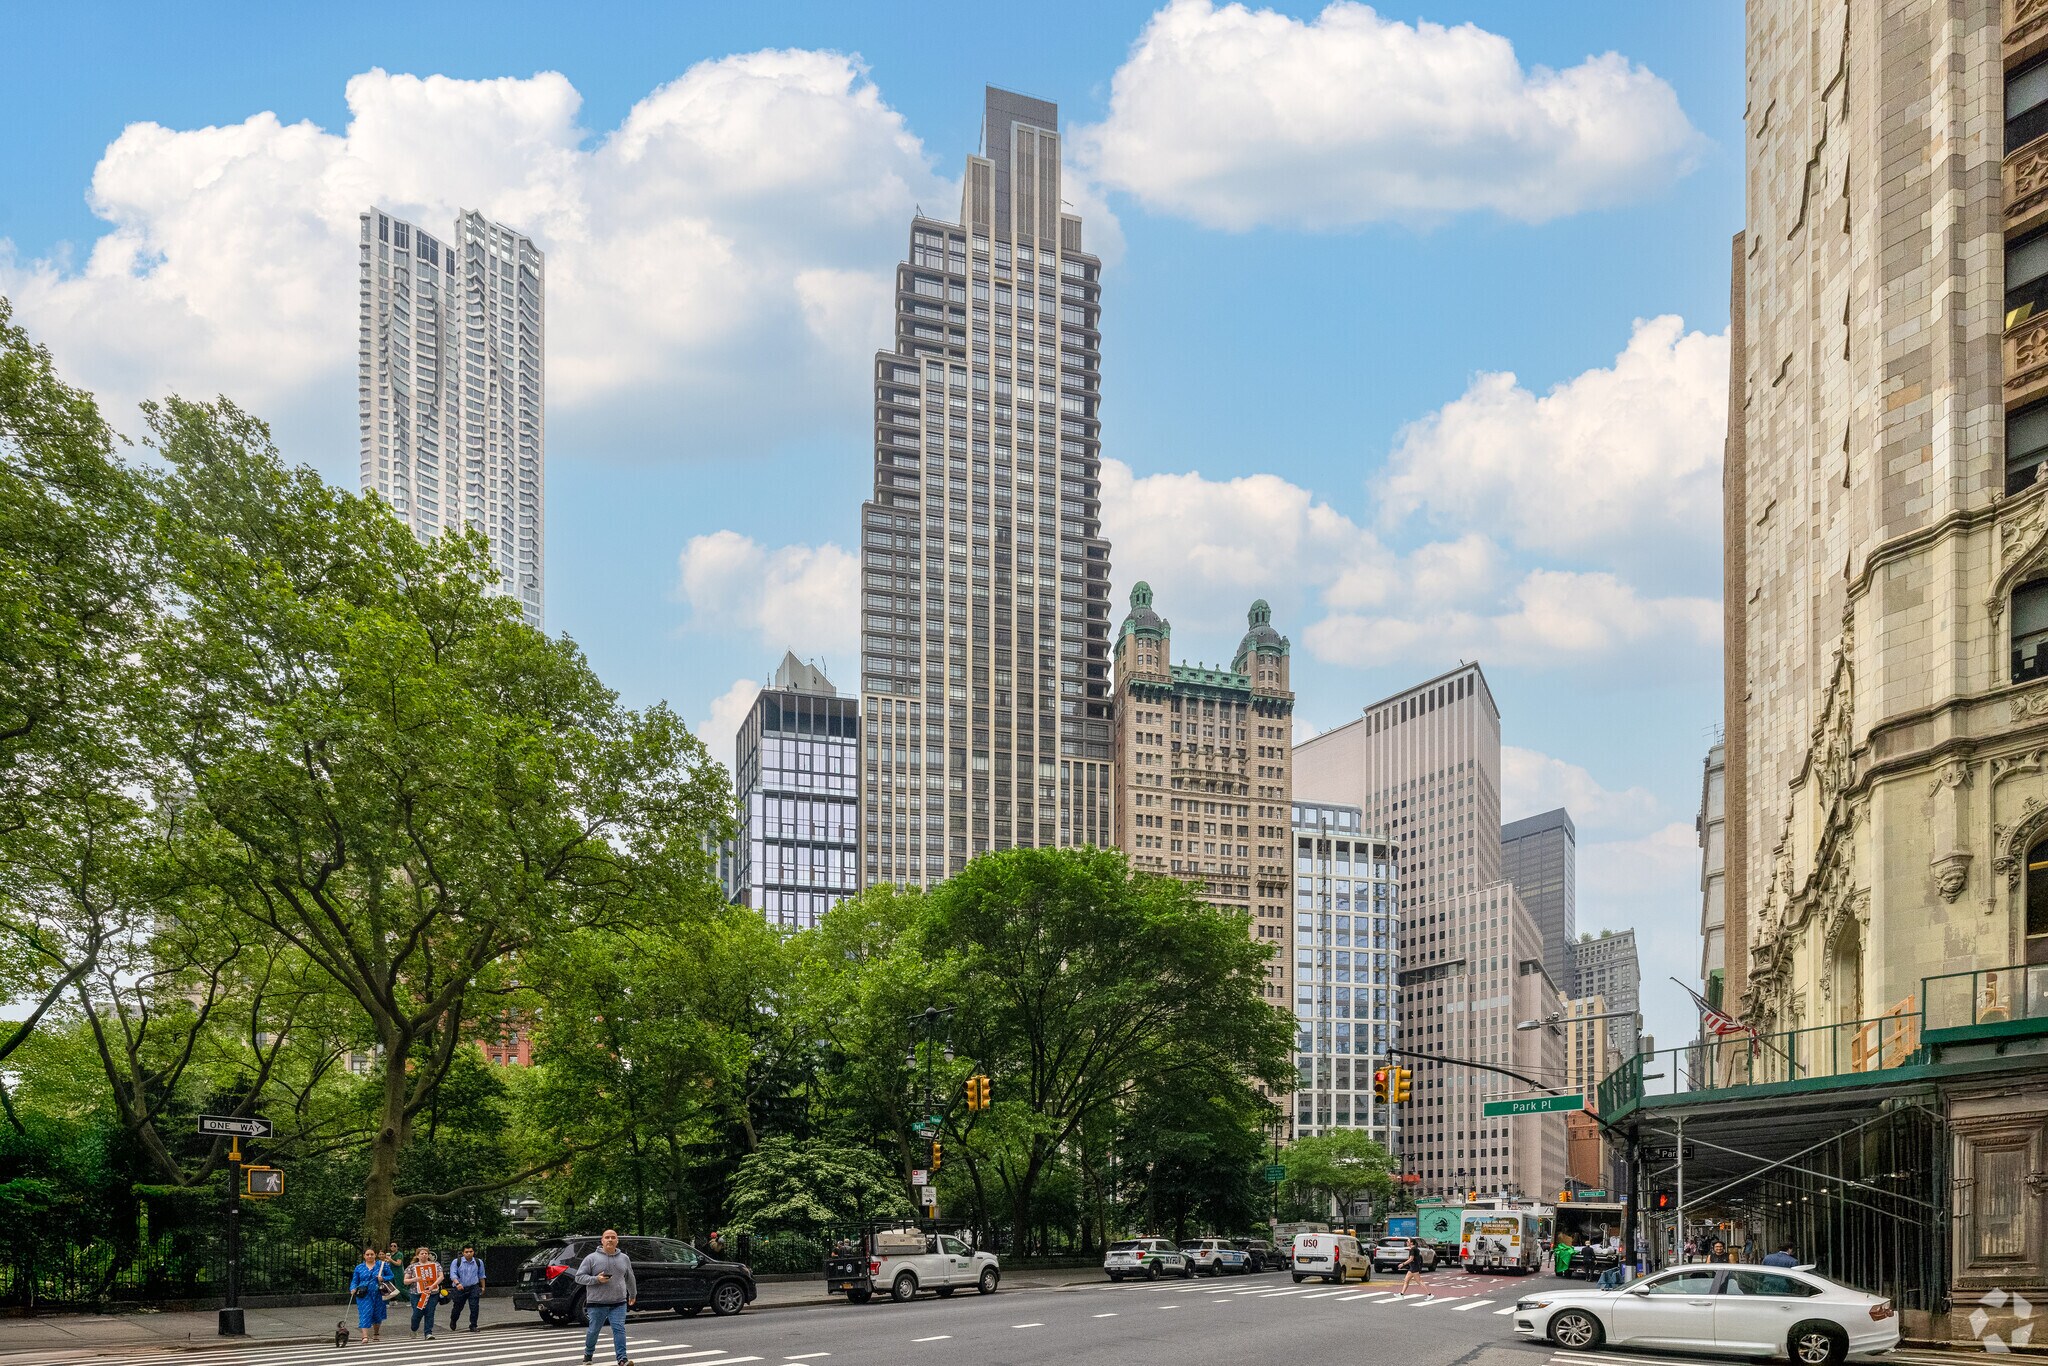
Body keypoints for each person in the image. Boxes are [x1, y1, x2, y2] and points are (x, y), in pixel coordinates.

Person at [576, 1228, 637, 1366]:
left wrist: (632, 1294)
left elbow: (630, 1277)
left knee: (619, 1329)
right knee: (594, 1330)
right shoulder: (591, 1258)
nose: (610, 1239)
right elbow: (579, 1277)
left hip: (619, 1302)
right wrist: (596, 1279)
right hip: (597, 1303)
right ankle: (588, 1354)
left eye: (613, 1237)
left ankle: (622, 1359)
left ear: (617, 1241)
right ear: (602, 1240)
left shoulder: (624, 1258)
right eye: (607, 1237)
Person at [349, 1246, 393, 1346]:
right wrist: (353, 1288)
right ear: (364, 1256)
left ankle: (376, 1332)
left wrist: (383, 1278)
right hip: (364, 1294)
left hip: (378, 1293)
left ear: (375, 1255)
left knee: (377, 1314)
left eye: (372, 1254)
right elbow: (355, 1280)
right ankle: (364, 1336)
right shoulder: (359, 1267)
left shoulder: (382, 1265)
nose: (370, 1256)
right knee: (365, 1313)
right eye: (367, 1254)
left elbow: (391, 1275)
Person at [405, 1246, 443, 1339]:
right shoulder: (412, 1267)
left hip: (432, 1293)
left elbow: (441, 1276)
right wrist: (415, 1279)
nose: (424, 1255)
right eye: (422, 1253)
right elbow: (405, 1281)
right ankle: (414, 1328)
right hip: (417, 1293)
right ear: (417, 1255)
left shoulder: (435, 1265)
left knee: (430, 1312)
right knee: (417, 1313)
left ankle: (428, 1333)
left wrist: (433, 1285)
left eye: (426, 1253)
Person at [447, 1244, 486, 1332]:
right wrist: (457, 1283)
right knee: (458, 1307)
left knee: (474, 1307)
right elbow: (453, 1274)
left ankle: (473, 1325)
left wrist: (483, 1287)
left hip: (473, 1287)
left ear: (473, 1252)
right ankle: (453, 1320)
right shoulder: (457, 1261)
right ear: (463, 1253)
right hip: (460, 1287)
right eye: (466, 1252)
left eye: (470, 1251)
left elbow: (481, 1275)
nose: (468, 1254)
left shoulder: (478, 1262)